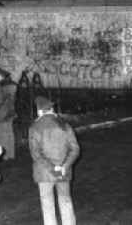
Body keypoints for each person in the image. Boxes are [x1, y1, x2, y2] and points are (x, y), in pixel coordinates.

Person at [29, 96, 80, 225]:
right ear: (51, 109)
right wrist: (64, 166)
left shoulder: (35, 127)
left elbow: (36, 154)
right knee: (65, 202)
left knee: (47, 205)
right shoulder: (64, 125)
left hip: (45, 173)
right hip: (63, 172)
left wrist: (53, 168)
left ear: (39, 111)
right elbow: (75, 149)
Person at [0, 68, 18, 161]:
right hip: (10, 112)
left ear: (1, 76)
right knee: (9, 134)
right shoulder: (13, 85)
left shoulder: (1, 86)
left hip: (1, 113)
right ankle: (11, 154)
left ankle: (3, 155)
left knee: (1, 135)